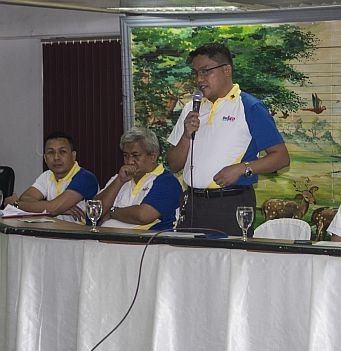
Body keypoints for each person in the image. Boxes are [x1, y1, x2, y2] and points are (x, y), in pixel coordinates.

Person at [167, 42, 290, 235]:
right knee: (189, 262)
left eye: (206, 71)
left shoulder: (249, 107)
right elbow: (173, 165)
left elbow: (281, 157)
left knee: (226, 263)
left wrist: (242, 168)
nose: (199, 79)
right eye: (196, 73)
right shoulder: (191, 108)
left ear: (226, 70)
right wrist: (185, 135)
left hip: (231, 204)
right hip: (192, 204)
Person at [95, 127, 182, 231]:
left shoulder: (167, 181)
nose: (130, 161)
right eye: (126, 156)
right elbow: (95, 210)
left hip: (148, 244)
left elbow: (143, 215)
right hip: (109, 242)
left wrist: (111, 212)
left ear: (153, 157)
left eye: (135, 156)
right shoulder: (119, 177)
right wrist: (119, 181)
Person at [2, 131, 98, 223]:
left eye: (62, 152)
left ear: (73, 156)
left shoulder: (85, 177)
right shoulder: (47, 175)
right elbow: (26, 198)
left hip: (81, 236)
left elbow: (53, 209)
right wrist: (59, 208)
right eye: (51, 152)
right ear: (45, 158)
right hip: (53, 231)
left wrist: (15, 204)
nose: (56, 157)